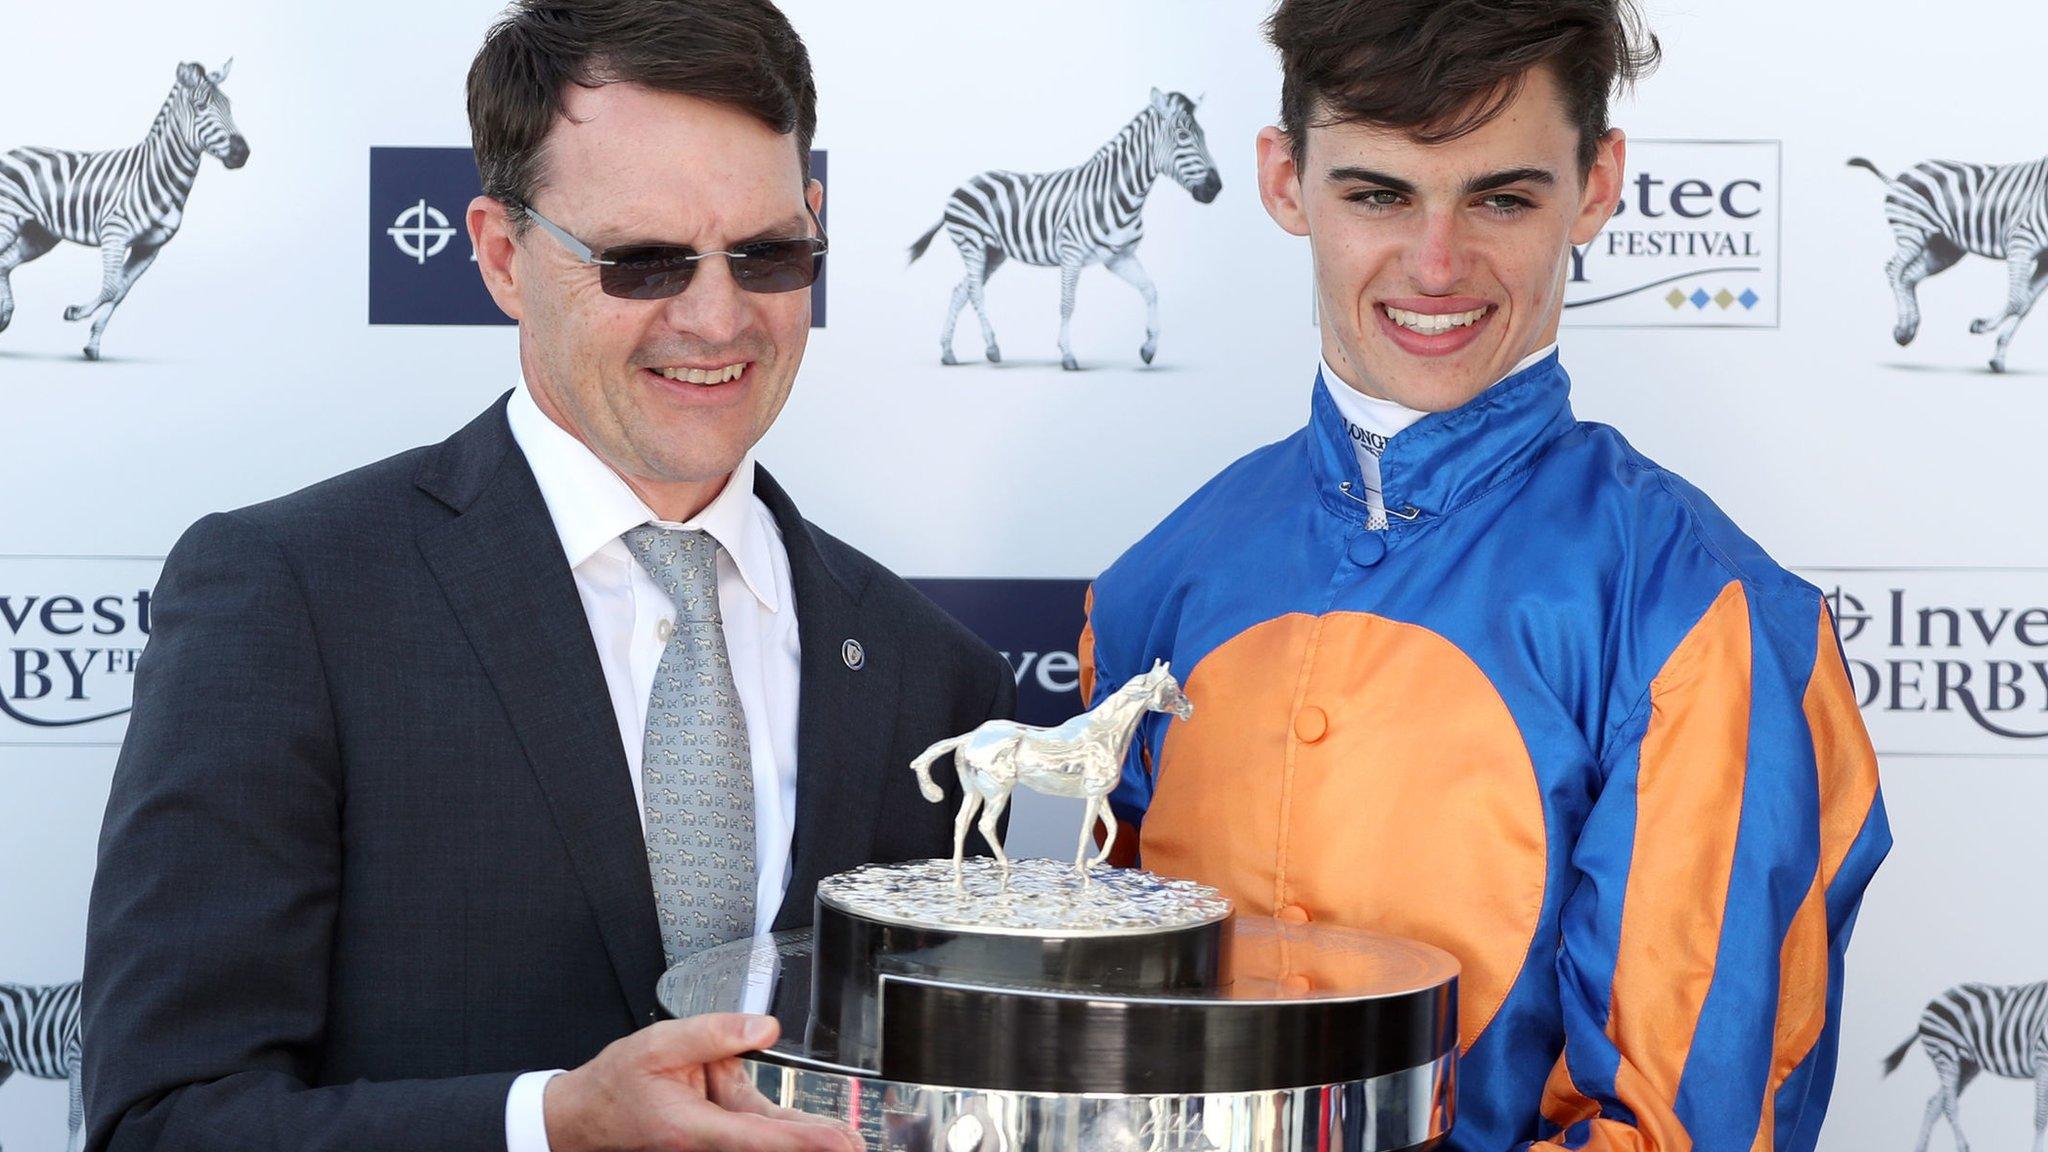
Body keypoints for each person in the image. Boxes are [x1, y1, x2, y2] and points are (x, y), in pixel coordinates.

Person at [81, 2, 1012, 1149]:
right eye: (641, 261)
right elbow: (164, 1123)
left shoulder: (941, 682)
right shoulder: (291, 601)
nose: (717, 317)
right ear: (500, 255)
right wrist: (547, 1125)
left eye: (768, 253)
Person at [1079, 2, 1890, 1149]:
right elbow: (1095, 1053)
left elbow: (1672, 1129)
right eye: (1376, 194)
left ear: (1596, 186)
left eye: (1500, 197)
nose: (1436, 264)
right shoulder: (1155, 580)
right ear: (1280, 181)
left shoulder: (1699, 611)